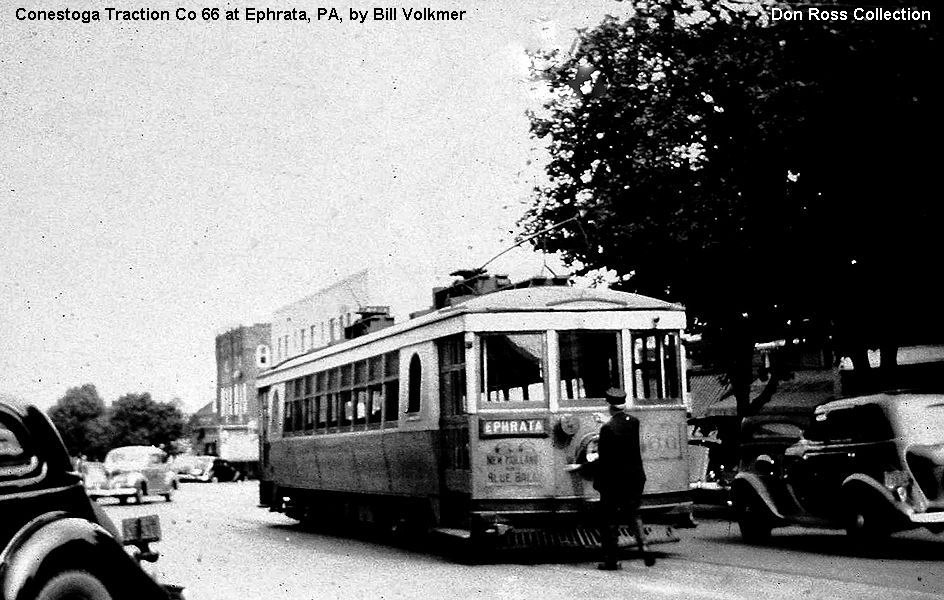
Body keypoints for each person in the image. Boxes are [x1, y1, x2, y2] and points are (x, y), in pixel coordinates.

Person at [593, 387, 655, 570]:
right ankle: (644, 546)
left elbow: (604, 458)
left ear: (609, 406)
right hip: (635, 478)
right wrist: (608, 421)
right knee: (633, 513)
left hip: (614, 480)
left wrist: (585, 468)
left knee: (609, 519)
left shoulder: (607, 429)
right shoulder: (633, 422)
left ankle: (612, 561)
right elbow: (621, 428)